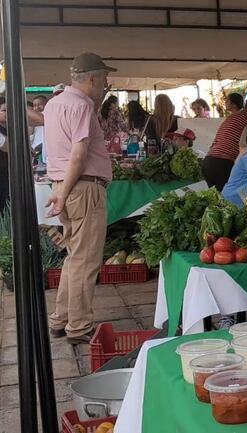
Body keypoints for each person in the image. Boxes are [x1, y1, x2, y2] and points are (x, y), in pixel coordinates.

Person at [44, 52, 115, 343]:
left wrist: (61, 191)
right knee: (85, 261)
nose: (106, 82)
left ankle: (61, 318)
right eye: (105, 77)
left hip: (65, 185)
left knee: (74, 258)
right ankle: (79, 326)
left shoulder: (55, 103)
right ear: (93, 77)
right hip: (83, 187)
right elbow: (78, 154)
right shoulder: (82, 106)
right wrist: (64, 194)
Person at [202, 94, 247, 191]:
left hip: (209, 161)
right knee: (229, 202)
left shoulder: (237, 116)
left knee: (217, 201)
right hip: (222, 163)